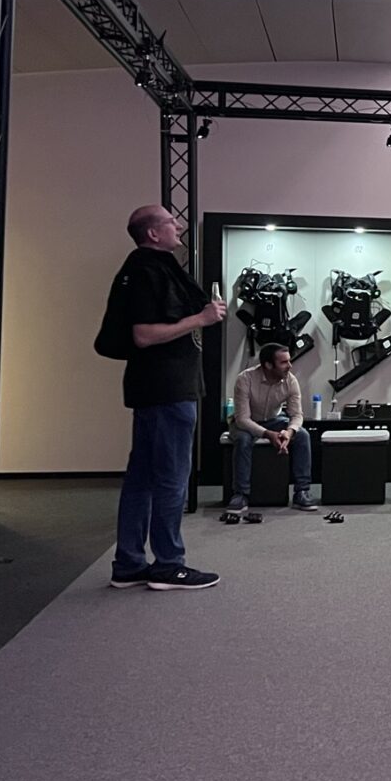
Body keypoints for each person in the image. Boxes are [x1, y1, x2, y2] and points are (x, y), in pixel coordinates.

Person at [104, 204, 224, 591]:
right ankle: (168, 564)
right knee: (171, 478)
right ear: (153, 234)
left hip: (157, 388)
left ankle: (129, 564)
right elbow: (143, 335)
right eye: (171, 222)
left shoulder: (144, 269)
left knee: (142, 478)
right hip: (167, 391)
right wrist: (201, 319)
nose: (179, 226)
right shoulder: (147, 272)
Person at [228, 343, 317, 512]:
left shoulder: (291, 380)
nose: (289, 366)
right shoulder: (245, 379)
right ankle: (240, 494)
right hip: (246, 422)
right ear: (268, 365)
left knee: (302, 435)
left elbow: (297, 415)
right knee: (243, 439)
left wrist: (289, 432)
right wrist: (268, 434)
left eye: (289, 361)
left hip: (274, 419)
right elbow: (242, 419)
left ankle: (302, 492)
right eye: (284, 362)